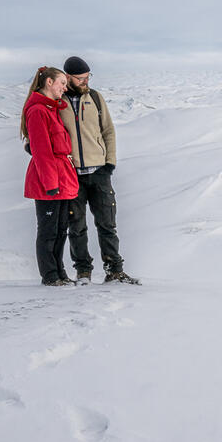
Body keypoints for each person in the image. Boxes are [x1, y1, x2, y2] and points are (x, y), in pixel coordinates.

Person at [59, 55, 138, 285]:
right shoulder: (58, 101)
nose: (85, 81)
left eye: (87, 77)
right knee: (76, 227)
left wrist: (109, 163)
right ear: (68, 77)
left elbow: (108, 131)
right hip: (72, 174)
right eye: (80, 78)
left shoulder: (95, 98)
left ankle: (114, 270)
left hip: (99, 173)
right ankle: (83, 272)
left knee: (107, 224)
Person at [21, 67, 79, 286]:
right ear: (48, 82)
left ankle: (60, 272)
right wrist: (50, 184)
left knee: (60, 229)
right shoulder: (37, 111)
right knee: (48, 231)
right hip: (49, 180)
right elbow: (42, 151)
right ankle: (49, 275)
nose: (65, 88)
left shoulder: (51, 108)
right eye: (62, 83)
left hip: (61, 176)